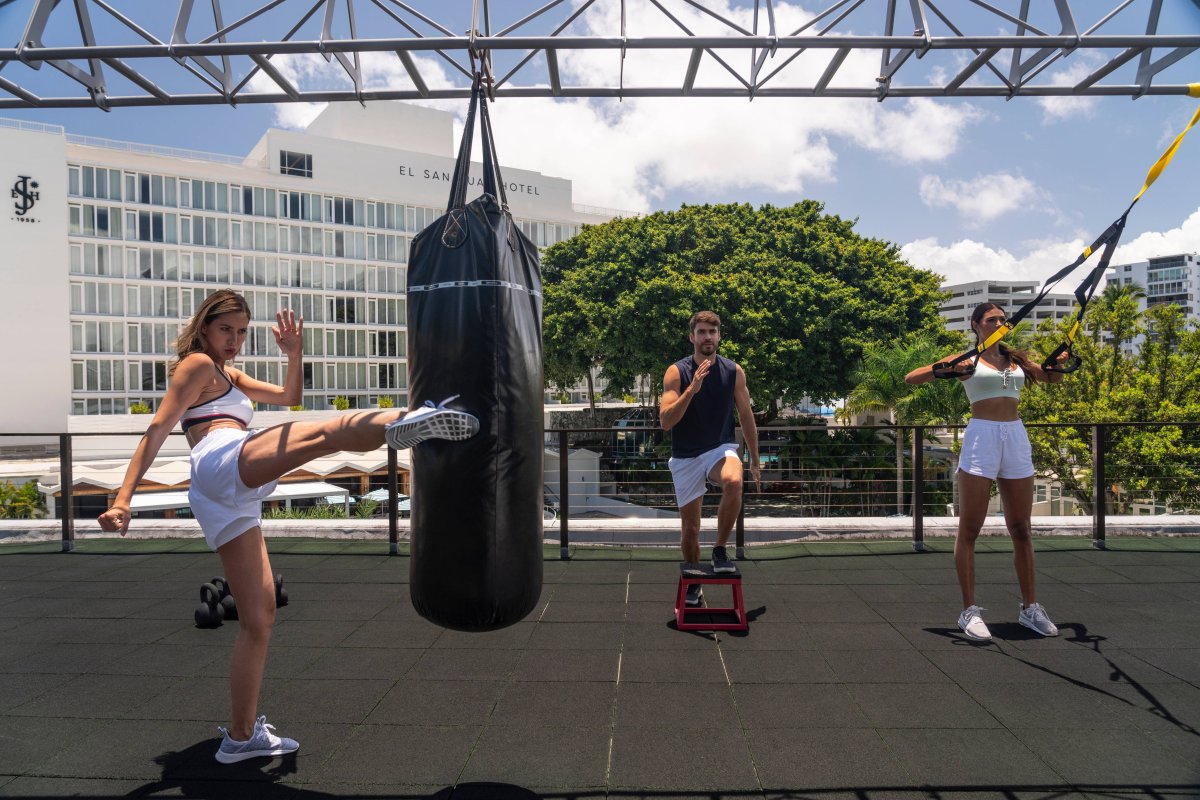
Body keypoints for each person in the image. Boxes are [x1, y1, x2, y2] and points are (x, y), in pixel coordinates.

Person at [97, 289, 478, 763]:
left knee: (258, 619)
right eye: (225, 330)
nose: (234, 340)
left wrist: (293, 355)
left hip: (225, 494)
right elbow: (157, 428)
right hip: (220, 459)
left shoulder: (227, 373)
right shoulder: (196, 364)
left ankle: (240, 738)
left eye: (241, 332)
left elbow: (290, 397)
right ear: (204, 326)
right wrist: (123, 498)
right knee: (326, 433)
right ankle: (411, 419)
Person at [905, 302, 1065, 641]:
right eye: (992, 319)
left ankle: (1030, 609)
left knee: (1021, 527)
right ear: (976, 325)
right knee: (971, 527)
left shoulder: (1016, 360)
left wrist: (1060, 365)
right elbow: (912, 378)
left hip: (1016, 438)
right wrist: (945, 367)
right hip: (982, 438)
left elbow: (1049, 377)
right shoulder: (969, 361)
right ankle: (969, 611)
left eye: (1002, 319)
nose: (999, 323)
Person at [659, 311, 760, 606]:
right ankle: (693, 582)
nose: (707, 337)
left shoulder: (733, 371)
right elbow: (666, 422)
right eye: (701, 332)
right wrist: (692, 390)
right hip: (686, 454)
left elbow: (746, 416)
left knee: (733, 481)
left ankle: (719, 550)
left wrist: (754, 459)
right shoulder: (676, 372)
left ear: (719, 337)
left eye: (712, 332)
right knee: (690, 528)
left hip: (719, 447)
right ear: (692, 337)